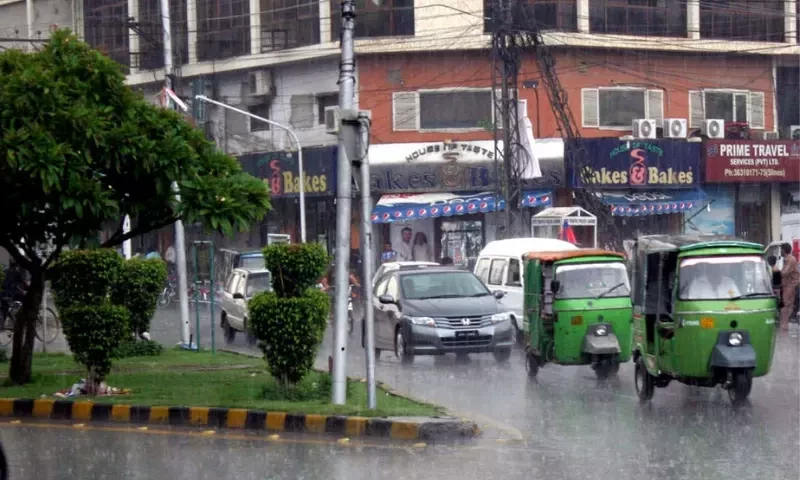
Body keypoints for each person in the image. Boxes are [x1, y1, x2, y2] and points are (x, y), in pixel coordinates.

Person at [776, 243, 799, 330]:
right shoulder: (787, 259)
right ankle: (784, 324)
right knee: (786, 305)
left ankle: (784, 325)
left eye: (781, 249)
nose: (780, 252)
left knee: (785, 305)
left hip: (790, 285)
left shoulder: (791, 259)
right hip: (786, 285)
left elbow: (784, 272)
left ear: (784, 250)